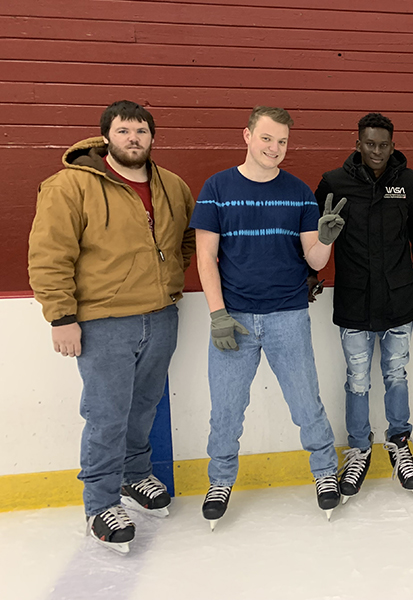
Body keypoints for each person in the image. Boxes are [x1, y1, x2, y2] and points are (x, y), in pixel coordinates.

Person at [28, 100, 195, 553]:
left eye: (141, 131)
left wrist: (169, 279)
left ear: (152, 138)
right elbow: (49, 253)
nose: (133, 138)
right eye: (123, 131)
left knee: (144, 406)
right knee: (106, 415)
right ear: (106, 138)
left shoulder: (173, 186)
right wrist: (61, 316)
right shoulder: (70, 187)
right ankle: (100, 503)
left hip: (161, 316)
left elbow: (185, 239)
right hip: (103, 322)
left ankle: (135, 476)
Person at [191, 106, 344, 525]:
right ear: (247, 136)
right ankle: (220, 480)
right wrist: (217, 314)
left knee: (305, 403)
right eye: (266, 138)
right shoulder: (217, 187)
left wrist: (327, 240)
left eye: (282, 141)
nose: (274, 148)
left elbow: (313, 256)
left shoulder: (298, 192)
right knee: (225, 409)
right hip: (234, 319)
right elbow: (205, 257)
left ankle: (326, 473)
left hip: (287, 316)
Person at [313, 113, 413, 502]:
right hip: (354, 299)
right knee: (357, 379)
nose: (377, 151)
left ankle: (399, 442)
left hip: (398, 298)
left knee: (396, 374)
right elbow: (316, 238)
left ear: (392, 145)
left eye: (384, 144)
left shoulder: (408, 182)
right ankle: (359, 448)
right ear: (358, 143)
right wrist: (310, 276)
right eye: (370, 143)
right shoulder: (334, 182)